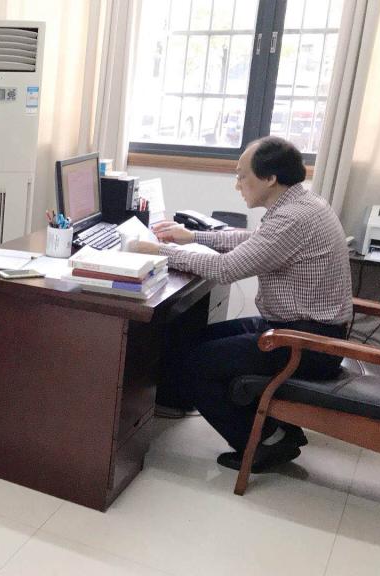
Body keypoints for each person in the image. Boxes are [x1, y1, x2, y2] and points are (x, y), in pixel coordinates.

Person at [130, 136, 352, 472]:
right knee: (189, 340)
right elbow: (253, 240)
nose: (237, 185)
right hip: (300, 330)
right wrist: (193, 236)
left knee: (198, 363)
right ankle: (276, 430)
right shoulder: (299, 204)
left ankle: (265, 443)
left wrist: (160, 251)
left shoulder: (293, 218)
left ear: (270, 178)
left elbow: (226, 269)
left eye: (242, 176)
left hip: (307, 343)